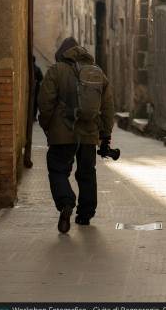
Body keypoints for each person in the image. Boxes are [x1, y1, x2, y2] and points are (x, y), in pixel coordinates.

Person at [37, 37, 114, 233]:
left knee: (58, 170)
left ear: (62, 54)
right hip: (89, 133)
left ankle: (65, 203)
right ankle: (85, 215)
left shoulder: (56, 70)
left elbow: (45, 102)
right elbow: (107, 107)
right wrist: (105, 134)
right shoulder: (97, 73)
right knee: (87, 173)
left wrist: (47, 126)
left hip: (62, 133)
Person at [33, 56, 44, 122]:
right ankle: (34, 116)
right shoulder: (37, 69)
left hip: (35, 88)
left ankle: (33, 116)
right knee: (35, 103)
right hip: (36, 88)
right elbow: (41, 78)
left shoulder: (28, 69)